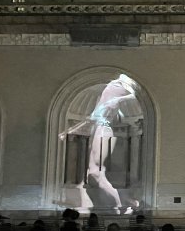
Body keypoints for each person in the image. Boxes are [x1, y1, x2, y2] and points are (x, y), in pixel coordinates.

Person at [59, 74, 139, 213]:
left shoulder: (124, 80)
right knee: (93, 173)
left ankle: (122, 204)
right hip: (98, 129)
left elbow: (138, 93)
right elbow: (89, 119)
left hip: (104, 129)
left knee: (96, 172)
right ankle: (124, 202)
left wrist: (118, 100)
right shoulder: (107, 91)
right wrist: (67, 131)